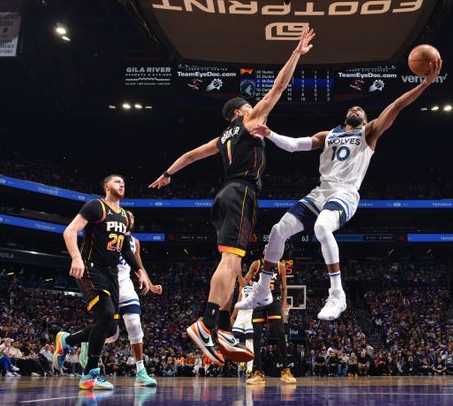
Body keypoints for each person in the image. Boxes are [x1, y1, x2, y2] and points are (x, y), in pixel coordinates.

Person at [149, 28, 315, 365]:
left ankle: (223, 328)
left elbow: (191, 155)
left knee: (234, 259)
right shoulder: (250, 120)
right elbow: (279, 88)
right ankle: (206, 323)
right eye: (251, 105)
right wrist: (296, 53)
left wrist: (168, 173)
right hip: (241, 191)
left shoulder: (221, 137)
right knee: (230, 261)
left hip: (225, 194)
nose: (257, 107)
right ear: (241, 111)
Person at [237, 53, 442, 321]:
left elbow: (396, 105)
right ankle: (263, 289)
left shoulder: (369, 133)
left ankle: (337, 294)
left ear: (366, 119)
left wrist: (425, 84)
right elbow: (295, 145)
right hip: (320, 192)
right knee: (277, 231)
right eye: (353, 108)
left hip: (345, 193)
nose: (356, 109)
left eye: (361, 110)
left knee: (322, 227)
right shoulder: (328, 135)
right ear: (345, 116)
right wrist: (270, 134)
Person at [54, 174, 154, 391]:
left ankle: (68, 341)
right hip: (92, 268)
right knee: (107, 315)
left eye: (124, 183)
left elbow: (126, 249)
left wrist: (140, 272)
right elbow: (70, 231)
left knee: (109, 329)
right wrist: (76, 257)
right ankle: (90, 374)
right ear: (106, 186)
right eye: (117, 182)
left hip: (112, 275)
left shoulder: (126, 217)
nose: (122, 185)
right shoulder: (95, 206)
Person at [78, 235, 161, 386]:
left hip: (126, 287)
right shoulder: (108, 234)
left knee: (135, 325)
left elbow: (138, 266)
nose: (130, 218)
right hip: (109, 285)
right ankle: (88, 340)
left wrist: (151, 285)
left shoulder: (135, 242)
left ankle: (141, 371)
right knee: (112, 335)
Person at [243, 259, 295, 384]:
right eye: (266, 249)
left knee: (281, 333)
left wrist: (283, 306)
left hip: (274, 300)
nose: (268, 250)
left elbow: (284, 288)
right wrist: (252, 283)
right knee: (256, 335)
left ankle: (285, 370)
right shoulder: (256, 264)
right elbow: (245, 280)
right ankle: (258, 372)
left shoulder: (280, 266)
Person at [231, 273, 255, 375]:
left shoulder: (258, 287)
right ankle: (241, 360)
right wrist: (232, 316)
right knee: (235, 339)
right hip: (241, 314)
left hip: (250, 315)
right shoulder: (242, 287)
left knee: (249, 341)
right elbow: (238, 301)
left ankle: (249, 367)